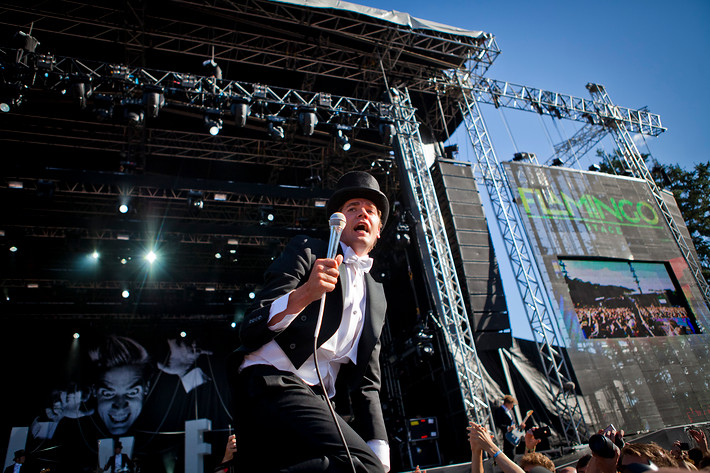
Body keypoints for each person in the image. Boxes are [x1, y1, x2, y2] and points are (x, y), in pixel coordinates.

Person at [230, 171, 391, 472]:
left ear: (379, 230)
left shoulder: (378, 295)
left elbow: (368, 383)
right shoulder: (308, 251)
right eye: (353, 208)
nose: (362, 214)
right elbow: (250, 328)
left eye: (370, 211)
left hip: (317, 400)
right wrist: (305, 293)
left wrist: (379, 444)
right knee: (363, 466)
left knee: (368, 464)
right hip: (271, 380)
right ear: (339, 222)